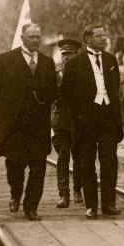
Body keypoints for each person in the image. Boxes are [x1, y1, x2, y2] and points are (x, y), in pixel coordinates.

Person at [0, 23, 56, 220]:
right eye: (31, 37)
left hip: (38, 126)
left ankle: (31, 206)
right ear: (22, 37)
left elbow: (52, 90)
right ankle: (15, 193)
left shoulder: (47, 62)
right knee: (15, 164)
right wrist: (12, 106)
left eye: (38, 36)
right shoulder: (4, 60)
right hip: (15, 126)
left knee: (38, 166)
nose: (36, 40)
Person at [61, 25, 124, 220]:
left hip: (108, 118)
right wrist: (80, 115)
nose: (104, 39)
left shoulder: (111, 60)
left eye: (105, 35)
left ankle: (108, 204)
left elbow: (115, 89)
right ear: (88, 39)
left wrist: (115, 118)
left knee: (109, 162)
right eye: (99, 36)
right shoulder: (74, 64)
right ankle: (91, 206)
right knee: (86, 163)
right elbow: (66, 94)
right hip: (85, 121)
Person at [51, 38, 83, 208]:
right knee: (63, 158)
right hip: (61, 121)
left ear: (77, 55)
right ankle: (64, 194)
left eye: (70, 54)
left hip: (78, 121)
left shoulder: (84, 74)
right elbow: (50, 96)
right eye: (64, 54)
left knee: (79, 157)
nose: (66, 58)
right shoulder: (56, 74)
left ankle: (78, 189)